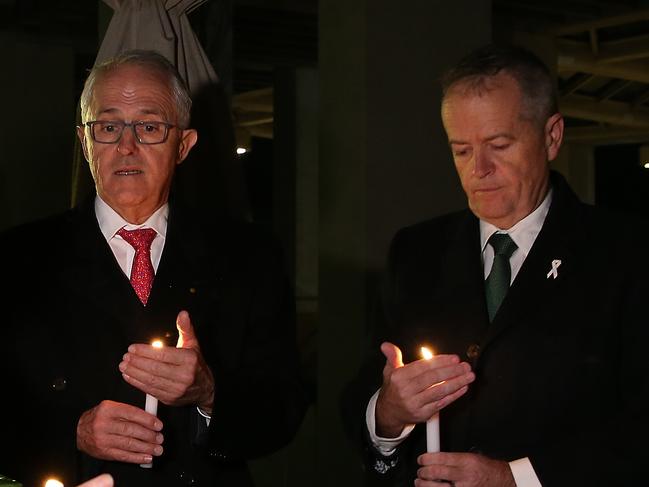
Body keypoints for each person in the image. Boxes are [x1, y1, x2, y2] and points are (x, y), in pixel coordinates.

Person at [345, 45, 649, 486]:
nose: (479, 170)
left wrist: (516, 479)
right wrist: (388, 414)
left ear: (552, 137)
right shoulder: (416, 251)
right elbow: (358, 398)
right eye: (461, 151)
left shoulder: (628, 252)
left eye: (499, 145)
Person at [1, 50, 307, 487]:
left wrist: (209, 393)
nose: (127, 146)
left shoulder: (250, 256)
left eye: (149, 127)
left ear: (183, 145)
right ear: (85, 141)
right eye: (108, 127)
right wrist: (72, 432)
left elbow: (285, 408)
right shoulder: (16, 258)